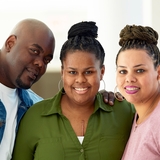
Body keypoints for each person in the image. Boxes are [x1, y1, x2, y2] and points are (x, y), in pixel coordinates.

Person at [12, 21, 135, 160]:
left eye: (88, 72)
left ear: (102, 72)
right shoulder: (34, 117)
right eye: (72, 72)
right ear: (62, 72)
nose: (80, 80)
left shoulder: (124, 112)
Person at [0, 18, 55, 160]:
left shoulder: (34, 107)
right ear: (10, 44)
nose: (40, 64)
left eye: (46, 60)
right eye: (35, 51)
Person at [115, 24, 160, 159]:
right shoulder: (136, 114)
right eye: (123, 71)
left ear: (158, 73)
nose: (129, 79)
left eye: (139, 70)